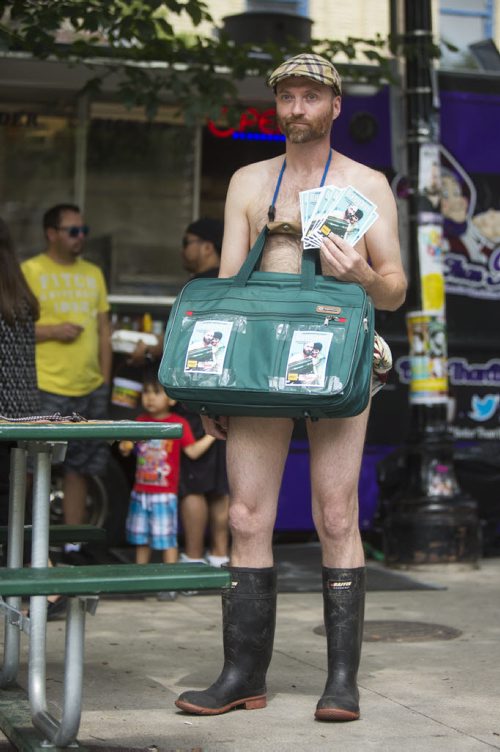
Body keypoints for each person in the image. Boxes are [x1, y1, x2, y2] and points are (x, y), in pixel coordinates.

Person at [175, 53, 407, 722]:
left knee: (337, 515)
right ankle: (242, 674)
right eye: (287, 96)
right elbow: (224, 286)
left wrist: (361, 270)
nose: (297, 107)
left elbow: (393, 289)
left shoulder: (366, 183)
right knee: (247, 516)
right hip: (255, 359)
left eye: (311, 96)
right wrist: (212, 385)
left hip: (337, 354)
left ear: (335, 106)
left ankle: (341, 683)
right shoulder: (250, 181)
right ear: (276, 106)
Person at [21, 204, 112, 541]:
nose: (81, 237)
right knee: (32, 467)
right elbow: (14, 331)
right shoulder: (29, 271)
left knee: (82, 469)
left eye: (83, 231)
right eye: (73, 231)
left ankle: (73, 544)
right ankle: (26, 540)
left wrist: (104, 378)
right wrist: (53, 331)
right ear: (51, 233)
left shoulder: (93, 273)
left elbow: (104, 329)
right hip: (46, 385)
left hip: (89, 387)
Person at [0, 217, 65, 618]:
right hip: (22, 415)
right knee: (14, 505)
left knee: (10, 508)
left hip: (5, 414)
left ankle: (47, 586)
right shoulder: (18, 291)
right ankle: (48, 584)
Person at [118, 368, 216, 578]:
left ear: (172, 400)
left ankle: (170, 580)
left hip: (165, 493)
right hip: (141, 491)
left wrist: (213, 434)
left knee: (167, 538)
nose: (150, 398)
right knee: (141, 538)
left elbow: (193, 451)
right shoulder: (139, 421)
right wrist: (125, 446)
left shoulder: (179, 423)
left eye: (156, 392)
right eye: (146, 392)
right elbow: (126, 447)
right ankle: (139, 578)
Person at [177, 219, 231, 568]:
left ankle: (194, 557)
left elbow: (185, 339)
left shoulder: (199, 286)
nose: (184, 249)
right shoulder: (236, 283)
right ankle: (221, 555)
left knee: (194, 483)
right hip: (232, 391)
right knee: (223, 483)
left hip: (201, 389)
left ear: (208, 246)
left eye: (188, 242)